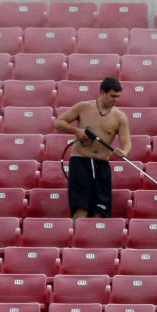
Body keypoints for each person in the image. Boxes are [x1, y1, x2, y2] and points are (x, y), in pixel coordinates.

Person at [52, 77, 132, 220]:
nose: (115, 100)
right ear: (102, 92)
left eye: (118, 97)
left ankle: (94, 240)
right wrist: (77, 131)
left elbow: (126, 143)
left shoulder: (120, 117)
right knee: (81, 209)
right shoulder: (84, 107)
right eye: (112, 96)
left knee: (100, 212)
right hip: (80, 162)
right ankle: (76, 240)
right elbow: (59, 122)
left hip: (102, 164)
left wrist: (124, 151)